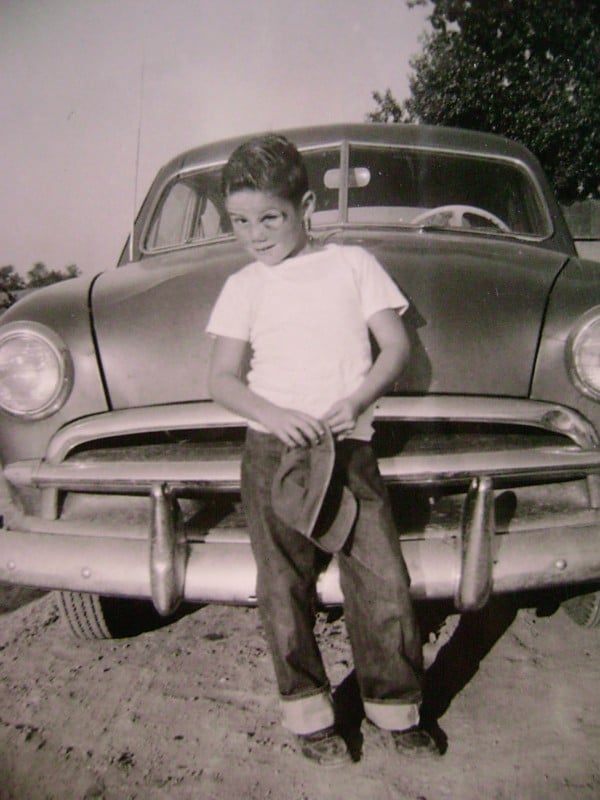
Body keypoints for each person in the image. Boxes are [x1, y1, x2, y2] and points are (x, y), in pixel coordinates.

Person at [206, 134, 437, 765]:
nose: (255, 235)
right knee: (283, 584)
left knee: (383, 579)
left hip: (350, 448)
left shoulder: (353, 265)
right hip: (273, 453)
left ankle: (395, 709)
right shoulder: (243, 286)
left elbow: (396, 348)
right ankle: (309, 714)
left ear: (305, 207)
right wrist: (273, 415)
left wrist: (357, 400)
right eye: (240, 221)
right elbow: (221, 379)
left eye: (270, 218)